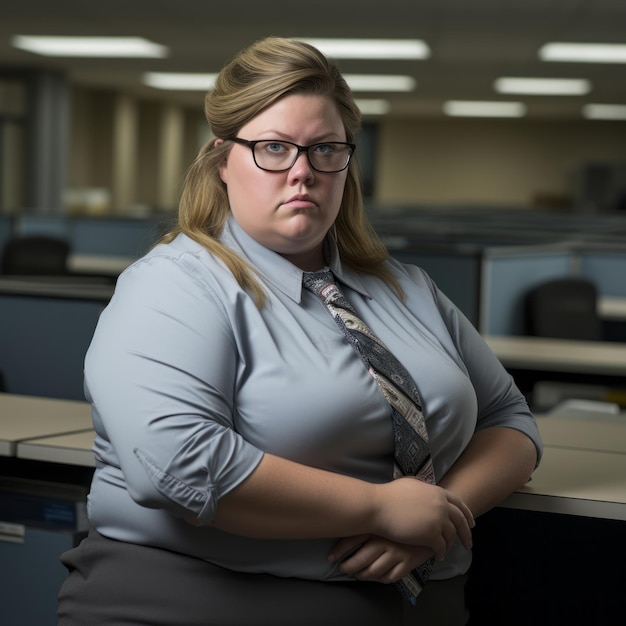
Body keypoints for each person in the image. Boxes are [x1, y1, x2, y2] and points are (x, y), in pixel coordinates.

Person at [57, 36, 541, 626]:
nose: (303, 172)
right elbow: (178, 462)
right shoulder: (175, 284)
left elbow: (508, 419)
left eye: (325, 149)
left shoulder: (405, 287)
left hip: (419, 601)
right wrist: (381, 509)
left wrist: (439, 513)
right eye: (274, 148)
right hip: (202, 601)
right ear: (222, 162)